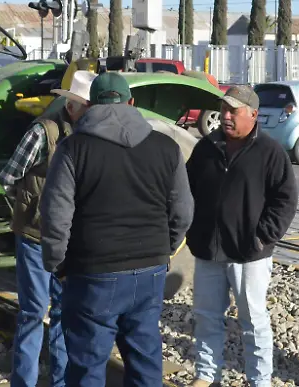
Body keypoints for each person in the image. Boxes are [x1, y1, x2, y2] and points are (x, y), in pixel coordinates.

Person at [39, 72, 193, 387]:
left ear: (91, 104)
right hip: (149, 271)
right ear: (131, 103)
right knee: (145, 360)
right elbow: (183, 211)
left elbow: (55, 215)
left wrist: (58, 265)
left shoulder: (73, 149)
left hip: (92, 273)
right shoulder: (166, 147)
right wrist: (163, 250)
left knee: (87, 366)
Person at [184, 85, 298, 387]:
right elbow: (185, 190)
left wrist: (262, 237)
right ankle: (206, 375)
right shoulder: (206, 148)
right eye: (224, 110)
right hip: (209, 250)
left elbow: (285, 200)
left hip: (249, 254)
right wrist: (191, 230)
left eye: (233, 111)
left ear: (253, 114)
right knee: (207, 318)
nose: (226, 116)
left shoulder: (269, 151)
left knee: (252, 322)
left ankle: (259, 381)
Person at [0, 69, 96, 387]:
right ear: (72, 106)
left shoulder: (89, 136)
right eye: (88, 105)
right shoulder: (43, 132)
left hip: (68, 240)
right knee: (33, 314)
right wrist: (32, 211)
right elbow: (9, 177)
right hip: (35, 237)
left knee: (62, 316)